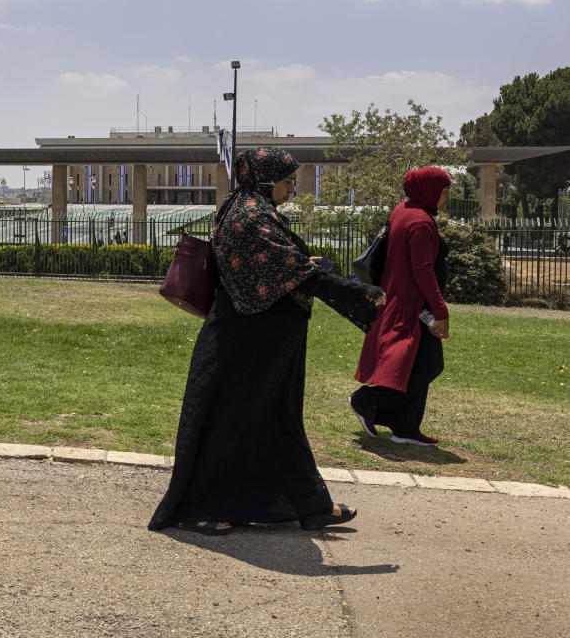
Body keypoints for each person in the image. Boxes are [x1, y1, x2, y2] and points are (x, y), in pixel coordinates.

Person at [149, 148, 386, 536]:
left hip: (264, 340)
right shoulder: (249, 215)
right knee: (230, 421)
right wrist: (357, 292)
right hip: (245, 342)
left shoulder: (248, 208)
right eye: (287, 181)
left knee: (277, 420)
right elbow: (291, 271)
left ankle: (310, 505)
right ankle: (196, 509)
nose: (292, 188)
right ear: (264, 179)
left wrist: (304, 264)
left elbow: (283, 265)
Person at [350, 167, 451, 446]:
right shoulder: (420, 222)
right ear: (429, 191)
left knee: (414, 365)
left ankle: (405, 428)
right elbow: (423, 271)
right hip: (413, 305)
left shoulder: (402, 210)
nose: (447, 197)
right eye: (444, 191)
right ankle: (366, 401)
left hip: (399, 298)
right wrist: (440, 312)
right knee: (429, 365)